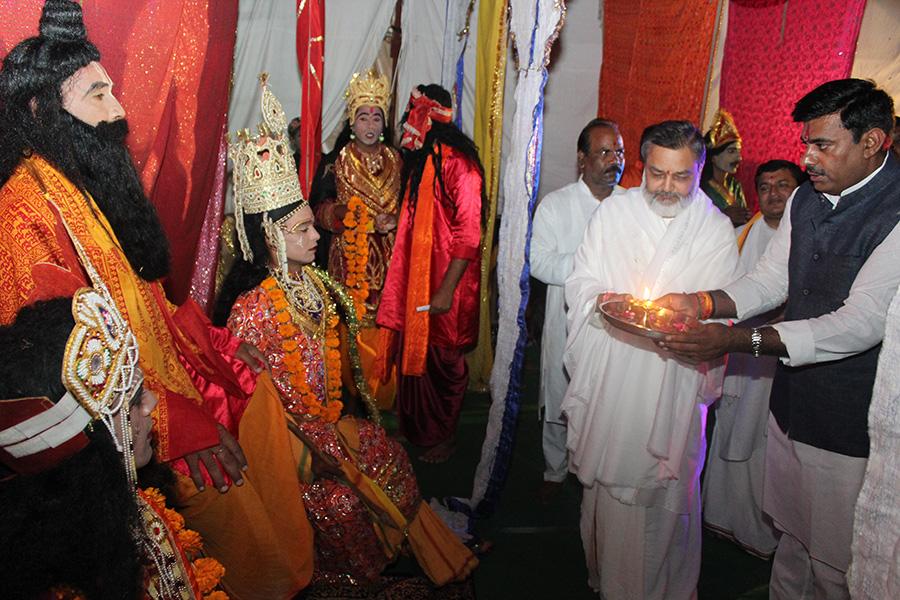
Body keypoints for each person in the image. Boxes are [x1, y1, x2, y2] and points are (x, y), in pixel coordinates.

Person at [0, 3, 313, 597]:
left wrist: (217, 340)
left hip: (165, 373)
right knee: (233, 493)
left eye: (112, 90)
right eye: (98, 95)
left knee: (260, 396)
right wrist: (176, 422)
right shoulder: (22, 213)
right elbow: (68, 375)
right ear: (43, 110)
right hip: (125, 422)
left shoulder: (75, 180)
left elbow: (144, 305)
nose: (119, 111)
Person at [216, 77, 477, 586]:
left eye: (314, 225)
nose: (317, 234)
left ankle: (411, 550)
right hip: (289, 451)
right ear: (270, 236)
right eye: (303, 230)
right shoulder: (248, 313)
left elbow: (336, 377)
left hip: (331, 427)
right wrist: (323, 450)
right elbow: (261, 412)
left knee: (388, 453)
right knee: (341, 505)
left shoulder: (314, 287)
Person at [657, 78, 898, 599]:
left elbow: (857, 325)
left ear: (874, 141)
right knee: (791, 544)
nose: (807, 159)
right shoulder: (808, 199)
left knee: (837, 565)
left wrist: (732, 341)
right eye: (806, 143)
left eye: (823, 145)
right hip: (792, 403)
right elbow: (770, 280)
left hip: (852, 419)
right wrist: (700, 302)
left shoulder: (896, 213)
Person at [562, 120, 740, 599]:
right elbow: (581, 281)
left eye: (680, 176)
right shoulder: (614, 215)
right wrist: (604, 303)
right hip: (613, 371)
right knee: (607, 490)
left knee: (660, 496)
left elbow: (720, 315)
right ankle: (608, 581)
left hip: (673, 381)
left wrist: (679, 326)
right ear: (643, 166)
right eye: (657, 174)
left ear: (699, 171)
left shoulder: (715, 230)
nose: (666, 187)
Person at [0, 289, 219, 599]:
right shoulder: (68, 589)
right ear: (91, 440)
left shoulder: (120, 503)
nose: (152, 403)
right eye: (132, 400)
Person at [376, 85, 485, 464]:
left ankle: (444, 437)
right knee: (415, 358)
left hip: (447, 286)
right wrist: (398, 220)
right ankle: (417, 429)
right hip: (418, 282)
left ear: (427, 117)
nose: (407, 122)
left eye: (412, 113)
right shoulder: (425, 158)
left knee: (444, 364)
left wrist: (444, 291)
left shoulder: (460, 164)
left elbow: (470, 235)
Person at [702, 159, 804, 559]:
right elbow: (733, 289)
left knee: (773, 442)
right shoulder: (742, 235)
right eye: (765, 187)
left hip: (789, 356)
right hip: (744, 355)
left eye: (783, 185)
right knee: (732, 431)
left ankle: (770, 534)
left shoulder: (810, 235)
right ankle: (726, 518)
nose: (774, 194)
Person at [530, 118, 624, 502]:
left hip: (618, 326)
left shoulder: (633, 205)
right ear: (581, 159)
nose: (613, 159)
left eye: (618, 151)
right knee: (560, 392)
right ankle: (555, 470)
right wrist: (592, 265)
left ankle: (598, 470)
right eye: (603, 152)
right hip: (567, 319)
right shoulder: (556, 205)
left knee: (607, 399)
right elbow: (539, 263)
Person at [310, 70, 401, 409]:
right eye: (364, 116)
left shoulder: (398, 161)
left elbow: (409, 205)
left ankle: (385, 397)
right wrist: (348, 214)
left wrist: (396, 218)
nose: (371, 124)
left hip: (390, 260)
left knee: (386, 329)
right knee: (352, 330)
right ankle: (352, 396)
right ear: (352, 121)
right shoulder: (337, 162)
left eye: (376, 116)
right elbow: (319, 209)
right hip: (351, 261)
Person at [701, 109, 751, 227]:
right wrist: (723, 215)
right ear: (713, 157)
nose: (739, 158)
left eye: (739, 152)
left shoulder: (735, 185)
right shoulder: (700, 188)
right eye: (731, 151)